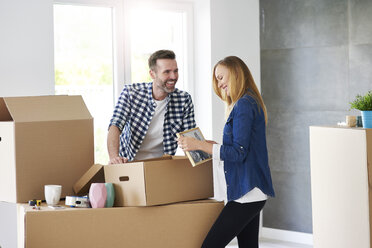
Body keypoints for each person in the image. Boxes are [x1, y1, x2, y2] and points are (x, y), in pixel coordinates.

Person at [177, 56, 275, 248]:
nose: (219, 84)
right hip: (252, 193)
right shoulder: (249, 101)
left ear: (236, 73)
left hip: (246, 192)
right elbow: (240, 148)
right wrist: (210, 144)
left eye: (221, 77)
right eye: (217, 79)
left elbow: (238, 153)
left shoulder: (244, 104)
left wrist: (200, 146)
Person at [107, 50, 196, 164]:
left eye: (175, 71)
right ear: (152, 74)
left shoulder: (184, 99)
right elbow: (115, 126)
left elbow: (189, 138)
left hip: (162, 164)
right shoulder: (131, 93)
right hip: (130, 162)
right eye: (167, 72)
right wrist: (114, 158)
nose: (173, 76)